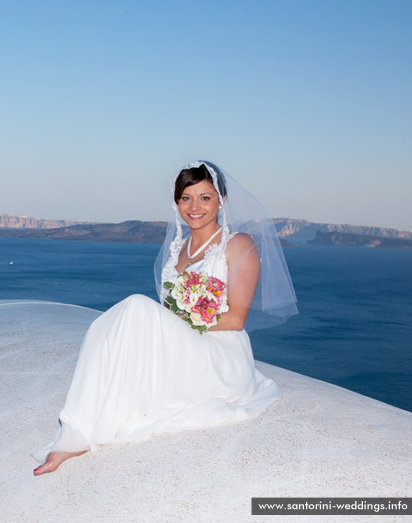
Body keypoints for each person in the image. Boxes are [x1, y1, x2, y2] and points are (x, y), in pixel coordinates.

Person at [33, 161, 297, 475]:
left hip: (221, 355)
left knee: (135, 306)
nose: (195, 206)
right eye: (186, 198)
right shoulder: (178, 250)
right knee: (106, 325)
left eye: (205, 197)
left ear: (222, 201)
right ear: (176, 203)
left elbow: (237, 318)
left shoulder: (238, 245)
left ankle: (77, 434)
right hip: (185, 349)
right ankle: (77, 428)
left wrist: (190, 316)